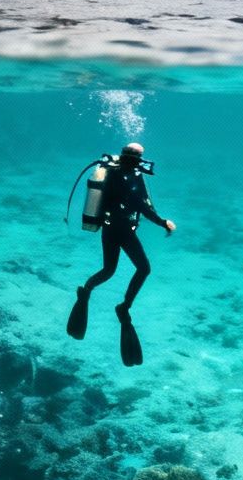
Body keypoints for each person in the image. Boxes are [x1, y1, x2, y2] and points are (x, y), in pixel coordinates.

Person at [67, 142, 174, 365]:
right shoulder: (124, 176)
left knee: (110, 270)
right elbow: (144, 207)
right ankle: (122, 307)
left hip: (113, 229)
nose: (134, 161)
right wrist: (163, 223)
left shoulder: (128, 174)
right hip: (120, 230)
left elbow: (143, 205)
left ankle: (88, 291)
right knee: (140, 269)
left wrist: (158, 220)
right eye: (134, 157)